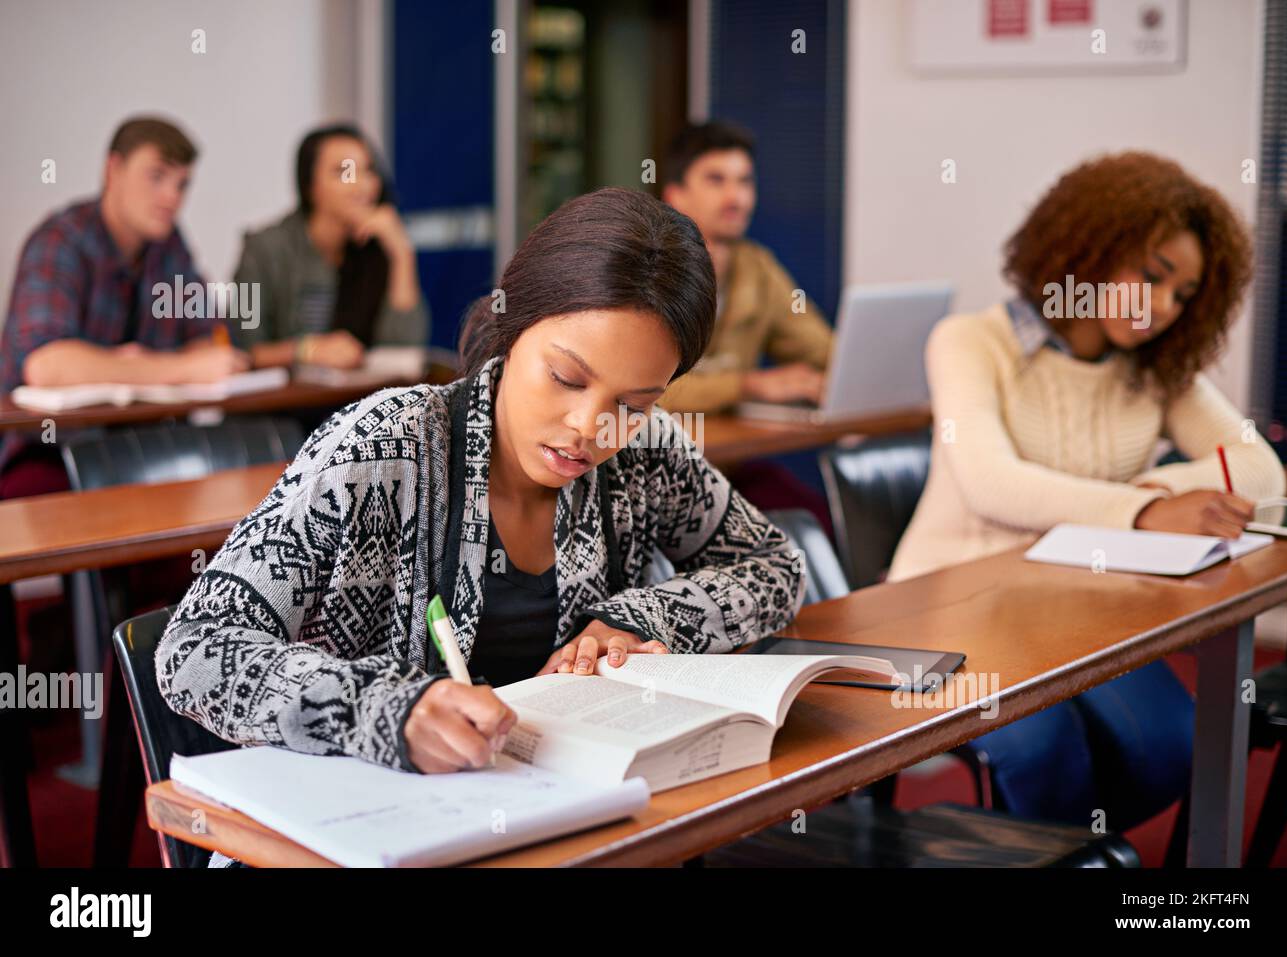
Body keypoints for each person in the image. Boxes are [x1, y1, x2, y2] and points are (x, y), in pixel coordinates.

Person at [157, 188, 806, 867]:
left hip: (560, 835)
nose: (591, 427)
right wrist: (388, 710)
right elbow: (195, 650)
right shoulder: (383, 444)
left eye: (635, 402)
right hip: (356, 836)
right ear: (511, 325)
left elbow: (775, 566)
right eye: (564, 377)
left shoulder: (643, 452)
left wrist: (645, 618)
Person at [890, 152, 1286, 830]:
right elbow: (993, 484)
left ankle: (1053, 846)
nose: (1161, 307)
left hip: (1076, 612)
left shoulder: (1155, 369)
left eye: (1183, 293)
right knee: (1045, 752)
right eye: (1152, 275)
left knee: (1174, 748)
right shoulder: (970, 341)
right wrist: (1147, 510)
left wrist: (1152, 489)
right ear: (1087, 247)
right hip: (950, 611)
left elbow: (1259, 468)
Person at [0, 115, 247, 493]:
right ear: (113, 170)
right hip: (52, 450)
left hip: (145, 449)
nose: (172, 197)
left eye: (182, 184)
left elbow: (212, 340)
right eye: (157, 176)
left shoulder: (169, 247)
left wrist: (141, 366)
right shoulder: (59, 242)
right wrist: (174, 367)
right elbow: (47, 366)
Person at [657, 121, 834, 414]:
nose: (736, 198)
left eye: (744, 181)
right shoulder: (645, 268)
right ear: (675, 195)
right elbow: (643, 392)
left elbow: (822, 350)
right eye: (716, 180)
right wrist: (748, 385)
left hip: (729, 453)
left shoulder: (757, 266)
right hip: (647, 454)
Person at [230, 124, 429, 369]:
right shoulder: (261, 248)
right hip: (282, 404)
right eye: (344, 171)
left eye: (368, 170)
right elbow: (242, 347)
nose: (362, 185)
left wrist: (402, 254)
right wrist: (307, 349)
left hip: (355, 402)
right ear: (310, 185)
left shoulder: (377, 246)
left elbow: (403, 349)